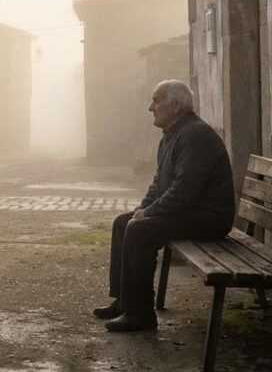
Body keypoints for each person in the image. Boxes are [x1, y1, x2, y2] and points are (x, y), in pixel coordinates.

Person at [93, 79, 236, 332]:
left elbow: (184, 192)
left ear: (177, 106)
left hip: (209, 218)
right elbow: (158, 183)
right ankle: (125, 300)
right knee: (123, 223)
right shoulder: (172, 135)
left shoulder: (195, 135)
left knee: (139, 230)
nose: (151, 107)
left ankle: (141, 314)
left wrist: (148, 214)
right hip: (188, 212)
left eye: (157, 100)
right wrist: (142, 208)